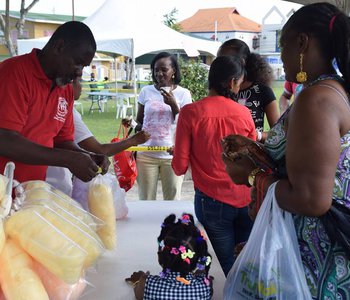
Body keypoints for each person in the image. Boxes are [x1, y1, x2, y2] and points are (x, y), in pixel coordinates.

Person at [222, 3, 350, 298]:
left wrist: (252, 176)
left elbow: (311, 199)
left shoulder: (316, 100)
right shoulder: (330, 90)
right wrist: (258, 148)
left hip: (314, 263)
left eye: (283, 46)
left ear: (302, 43)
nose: (280, 56)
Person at [172, 56, 256, 276]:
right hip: (247, 199)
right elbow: (253, 156)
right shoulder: (244, 114)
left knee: (225, 267)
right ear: (231, 82)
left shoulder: (190, 113)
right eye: (239, 83)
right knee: (246, 263)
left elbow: (179, 168)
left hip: (211, 202)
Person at [0, 21, 110, 184]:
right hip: (3, 192)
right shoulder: (14, 73)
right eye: (78, 63)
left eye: (84, 67)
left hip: (31, 191)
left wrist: (85, 156)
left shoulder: (65, 88)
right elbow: (5, 139)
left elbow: (62, 140)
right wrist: (68, 159)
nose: (79, 72)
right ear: (59, 47)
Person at [46, 77, 150, 196]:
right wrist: (134, 140)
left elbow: (64, 143)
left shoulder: (66, 109)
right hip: (49, 186)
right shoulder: (65, 111)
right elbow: (100, 149)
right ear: (68, 84)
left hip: (55, 184)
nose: (82, 87)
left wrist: (88, 156)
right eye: (79, 80)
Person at [133, 52, 192, 200]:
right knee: (146, 199)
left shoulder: (184, 94)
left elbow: (187, 125)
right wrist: (133, 125)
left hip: (172, 155)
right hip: (145, 154)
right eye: (156, 70)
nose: (159, 74)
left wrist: (174, 105)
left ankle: (170, 225)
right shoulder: (146, 91)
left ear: (174, 71)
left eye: (164, 70)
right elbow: (139, 122)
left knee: (172, 199)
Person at [125, 213, 213, 300]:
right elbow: (203, 274)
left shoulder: (149, 284)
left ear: (161, 257)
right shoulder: (204, 287)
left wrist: (139, 280)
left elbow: (138, 295)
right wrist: (202, 274)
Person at [217, 39, 279, 142]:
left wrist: (255, 135)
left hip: (252, 154)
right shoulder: (219, 91)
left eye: (224, 60)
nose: (219, 66)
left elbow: (278, 134)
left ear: (242, 62)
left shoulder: (263, 91)